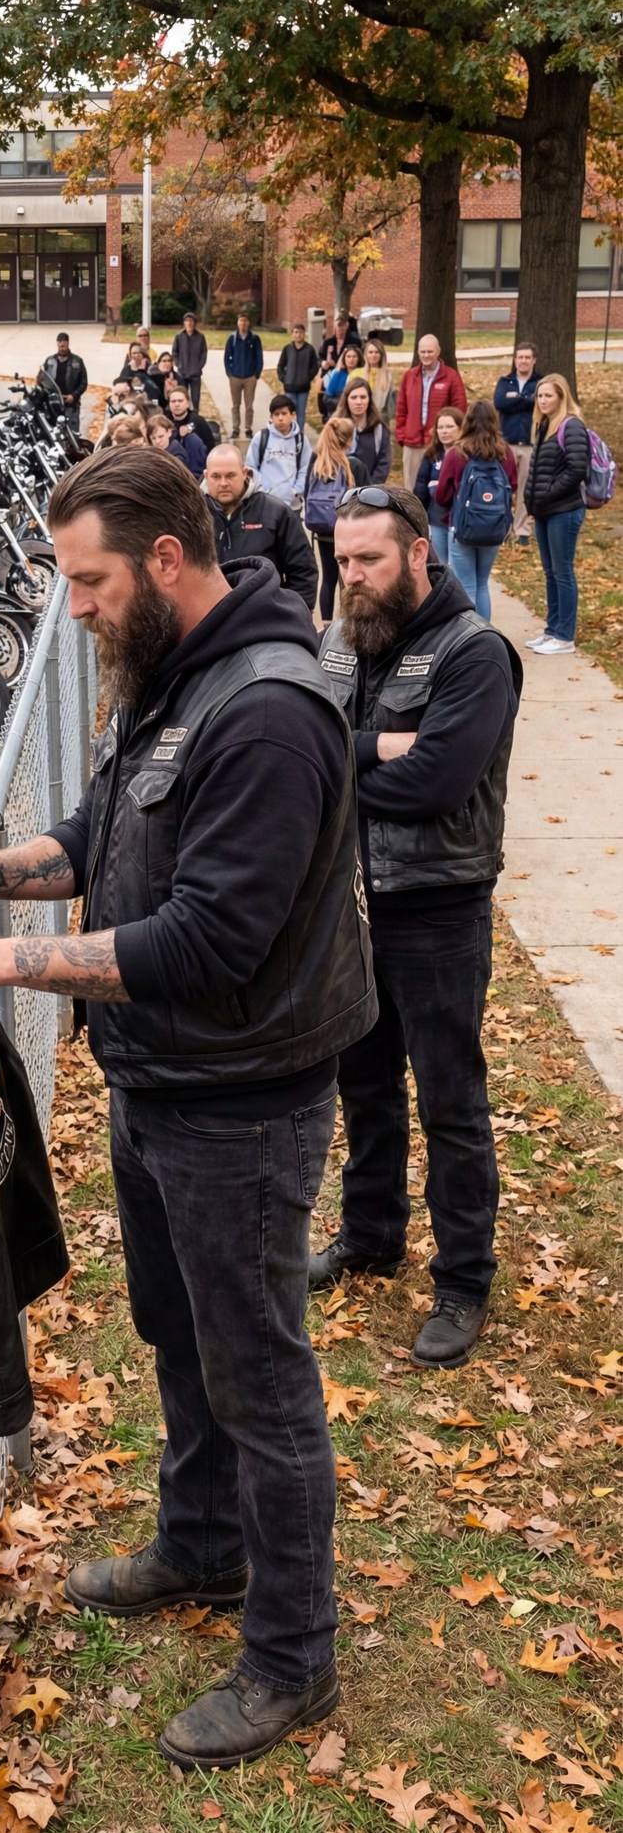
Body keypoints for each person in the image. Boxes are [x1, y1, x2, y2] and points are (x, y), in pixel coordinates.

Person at [0, 447, 376, 1768]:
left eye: (90, 581)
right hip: (160, 1084)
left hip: (240, 1105)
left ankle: (292, 1656)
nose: (77, 608)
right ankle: (202, 1543)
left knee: (258, 1375)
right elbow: (101, 837)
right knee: (178, 1335)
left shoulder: (266, 712)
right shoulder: (167, 672)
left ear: (166, 559)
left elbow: (209, 939)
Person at [311, 486, 522, 1368]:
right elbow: (300, 742)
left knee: (449, 1101)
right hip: (351, 903)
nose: (351, 576)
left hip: (437, 907)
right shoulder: (339, 639)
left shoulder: (473, 654)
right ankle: (370, 1235)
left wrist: (344, 760)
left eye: (368, 559)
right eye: (341, 560)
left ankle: (463, 1278)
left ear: (416, 554)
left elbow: (435, 782)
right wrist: (374, 749)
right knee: (362, 1085)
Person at [204, 442, 319, 609]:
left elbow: (303, 570)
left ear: (244, 473)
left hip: (264, 616)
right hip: (210, 617)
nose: (223, 483)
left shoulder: (276, 512)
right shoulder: (192, 515)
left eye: (230, 476)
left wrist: (294, 614)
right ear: (206, 476)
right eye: (216, 476)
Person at [523, 373, 590, 656]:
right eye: (540, 395)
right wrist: (532, 502)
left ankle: (565, 636)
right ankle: (552, 630)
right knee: (550, 572)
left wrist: (548, 492)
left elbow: (577, 469)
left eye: (548, 395)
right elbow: (539, 469)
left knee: (563, 572)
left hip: (564, 510)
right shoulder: (544, 425)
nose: (542, 400)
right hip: (544, 510)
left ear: (561, 397)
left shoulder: (571, 426)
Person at [434, 398, 517, 622]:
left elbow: (441, 496)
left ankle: (471, 636)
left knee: (467, 585)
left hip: (463, 527)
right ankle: (486, 633)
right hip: (494, 527)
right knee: (482, 584)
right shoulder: (505, 453)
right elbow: (513, 486)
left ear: (467, 421)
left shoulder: (457, 453)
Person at [395, 335, 467, 491]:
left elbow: (460, 411)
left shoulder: (451, 377)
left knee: (439, 489)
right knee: (411, 490)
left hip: (440, 444)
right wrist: (402, 435)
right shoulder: (410, 376)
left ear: (438, 351)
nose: (426, 355)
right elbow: (401, 410)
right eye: (423, 352)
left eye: (430, 351)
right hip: (412, 444)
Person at [302, 417, 355, 622]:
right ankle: (346, 622)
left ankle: (325, 625)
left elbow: (306, 492)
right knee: (346, 577)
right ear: (348, 440)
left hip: (323, 529)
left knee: (328, 578)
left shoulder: (317, 461)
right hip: (346, 530)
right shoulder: (351, 464)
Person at [494, 341, 541, 545]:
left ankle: (522, 530)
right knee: (504, 487)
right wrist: (526, 399)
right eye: (520, 357)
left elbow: (539, 403)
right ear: (515, 360)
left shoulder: (540, 382)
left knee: (524, 489)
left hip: (530, 444)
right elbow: (500, 402)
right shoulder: (505, 381)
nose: (523, 361)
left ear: (534, 360)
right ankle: (503, 528)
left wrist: (517, 399)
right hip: (506, 444)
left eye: (527, 357)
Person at [414, 405, 465, 566]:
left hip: (459, 520)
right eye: (440, 427)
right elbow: (421, 485)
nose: (444, 431)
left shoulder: (466, 455)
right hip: (436, 519)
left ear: (461, 428)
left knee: (457, 567)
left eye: (449, 427)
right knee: (439, 565)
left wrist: (438, 487)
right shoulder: (432, 455)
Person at [245, 393, 312, 508]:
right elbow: (251, 467)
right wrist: (260, 490)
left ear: (293, 415)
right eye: (276, 414)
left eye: (284, 413)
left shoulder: (301, 440)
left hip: (292, 505)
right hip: (264, 503)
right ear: (271, 417)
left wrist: (296, 490)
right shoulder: (261, 437)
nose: (280, 418)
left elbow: (306, 468)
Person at [336, 380, 390, 485]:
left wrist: (370, 487)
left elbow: (384, 463)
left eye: (363, 397)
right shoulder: (336, 427)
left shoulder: (379, 429)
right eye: (353, 397)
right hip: (340, 487)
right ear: (346, 399)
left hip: (370, 488)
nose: (358, 402)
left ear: (369, 399)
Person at [223, 310, 264, 439]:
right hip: (235, 377)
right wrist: (229, 373)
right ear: (237, 322)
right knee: (235, 405)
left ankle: (248, 428)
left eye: (245, 320)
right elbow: (227, 357)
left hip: (250, 377)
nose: (243, 323)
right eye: (241, 320)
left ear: (248, 322)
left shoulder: (254, 338)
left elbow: (259, 358)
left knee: (249, 405)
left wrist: (256, 374)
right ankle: (235, 428)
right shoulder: (232, 338)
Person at [276, 322, 320, 432]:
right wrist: (284, 378)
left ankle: (299, 435)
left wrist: (307, 378)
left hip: (303, 388)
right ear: (292, 334)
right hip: (289, 387)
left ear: (304, 334)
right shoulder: (287, 349)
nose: (298, 335)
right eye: (296, 332)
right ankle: (290, 433)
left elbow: (315, 366)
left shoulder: (309, 349)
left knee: (301, 413)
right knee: (290, 413)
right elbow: (280, 366)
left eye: (300, 332)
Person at [44, 331, 89, 434]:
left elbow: (84, 382)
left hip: (71, 405)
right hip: (53, 404)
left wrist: (74, 395)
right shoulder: (50, 361)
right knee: (54, 434)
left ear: (68, 343)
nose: (62, 348)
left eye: (64, 346)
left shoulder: (77, 361)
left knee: (73, 434)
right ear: (57, 344)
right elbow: (42, 380)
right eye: (60, 346)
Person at [147, 407, 205, 477]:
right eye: (153, 438)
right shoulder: (152, 451)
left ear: (169, 433)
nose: (158, 441)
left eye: (161, 436)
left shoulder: (177, 452)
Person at [172, 309, 209, 411]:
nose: (189, 323)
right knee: (183, 399)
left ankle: (195, 416)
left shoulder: (200, 337)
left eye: (191, 321)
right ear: (184, 323)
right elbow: (174, 353)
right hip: (182, 374)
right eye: (187, 321)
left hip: (195, 375)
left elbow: (204, 353)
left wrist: (198, 366)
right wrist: (179, 365)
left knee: (195, 400)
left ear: (194, 323)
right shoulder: (179, 336)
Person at [166, 382, 215, 459]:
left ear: (188, 403)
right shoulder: (165, 423)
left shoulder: (198, 421)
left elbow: (210, 446)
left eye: (180, 401)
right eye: (173, 401)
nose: (177, 404)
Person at [361, 336, 396, 424]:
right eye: (370, 352)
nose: (373, 355)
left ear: (381, 355)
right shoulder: (358, 373)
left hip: (381, 419)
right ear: (366, 354)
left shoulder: (388, 375)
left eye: (377, 352)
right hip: (361, 418)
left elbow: (390, 401)